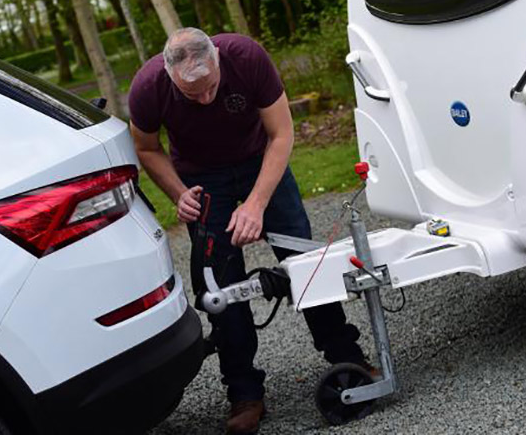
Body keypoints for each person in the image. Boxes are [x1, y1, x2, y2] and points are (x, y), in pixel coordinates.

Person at [128, 28, 370, 434]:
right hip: (201, 177)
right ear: (170, 79)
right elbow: (147, 147)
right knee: (220, 286)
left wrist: (256, 203)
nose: (205, 100)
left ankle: (349, 358)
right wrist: (179, 194)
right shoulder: (147, 88)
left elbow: (282, 134)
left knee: (304, 262)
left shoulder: (246, 57)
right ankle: (244, 393)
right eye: (193, 96)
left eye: (211, 89)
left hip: (260, 159)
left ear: (219, 62)